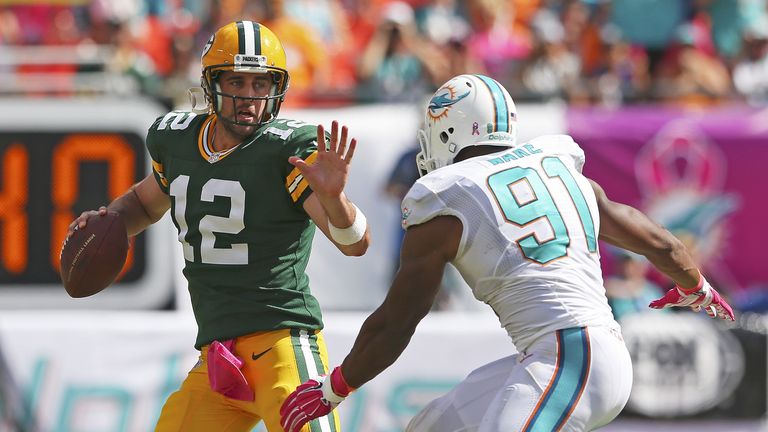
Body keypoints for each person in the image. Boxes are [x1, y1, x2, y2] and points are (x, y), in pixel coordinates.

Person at [279, 74, 734, 432]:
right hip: (580, 355)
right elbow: (662, 243)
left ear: (448, 129)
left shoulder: (445, 199)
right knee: (432, 427)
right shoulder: (560, 167)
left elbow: (397, 321)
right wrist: (697, 286)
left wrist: (335, 387)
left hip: (569, 357)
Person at [66, 20, 370, 432]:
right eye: (237, 82)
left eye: (261, 84)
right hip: (220, 354)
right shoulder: (178, 140)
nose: (249, 97)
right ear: (211, 84)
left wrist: (335, 199)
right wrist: (112, 218)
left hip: (281, 343)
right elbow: (144, 201)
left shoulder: (287, 150)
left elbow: (354, 244)